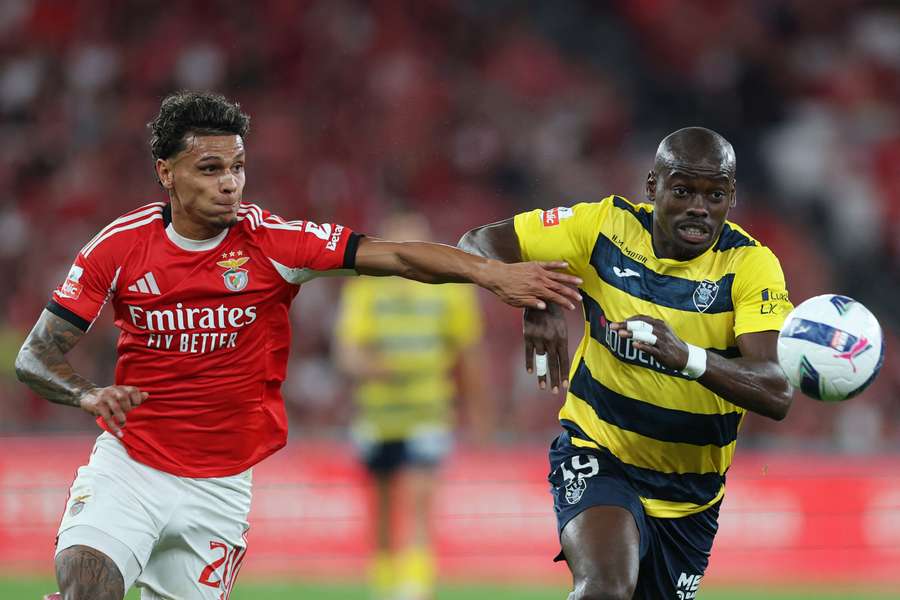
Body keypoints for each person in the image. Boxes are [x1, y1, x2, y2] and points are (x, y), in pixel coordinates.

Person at [13, 91, 582, 600]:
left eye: (237, 167)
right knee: (87, 582)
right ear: (166, 172)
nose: (229, 183)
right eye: (210, 169)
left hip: (221, 487)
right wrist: (87, 394)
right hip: (130, 465)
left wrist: (491, 275)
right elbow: (35, 355)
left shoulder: (275, 244)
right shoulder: (119, 248)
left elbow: (400, 255)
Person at [458, 127, 794, 600]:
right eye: (683, 190)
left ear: (732, 197)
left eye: (715, 194)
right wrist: (539, 301)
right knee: (605, 589)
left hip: (689, 498)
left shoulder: (751, 266)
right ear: (652, 185)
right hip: (597, 452)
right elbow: (478, 243)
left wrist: (689, 359)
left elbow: (777, 390)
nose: (700, 207)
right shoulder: (604, 228)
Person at [334, 211, 490, 600]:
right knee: (384, 502)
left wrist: (480, 410)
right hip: (378, 414)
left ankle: (416, 590)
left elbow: (467, 352)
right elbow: (347, 350)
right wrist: (368, 366)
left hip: (428, 410)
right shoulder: (368, 286)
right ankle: (386, 586)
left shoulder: (450, 287)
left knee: (420, 497)